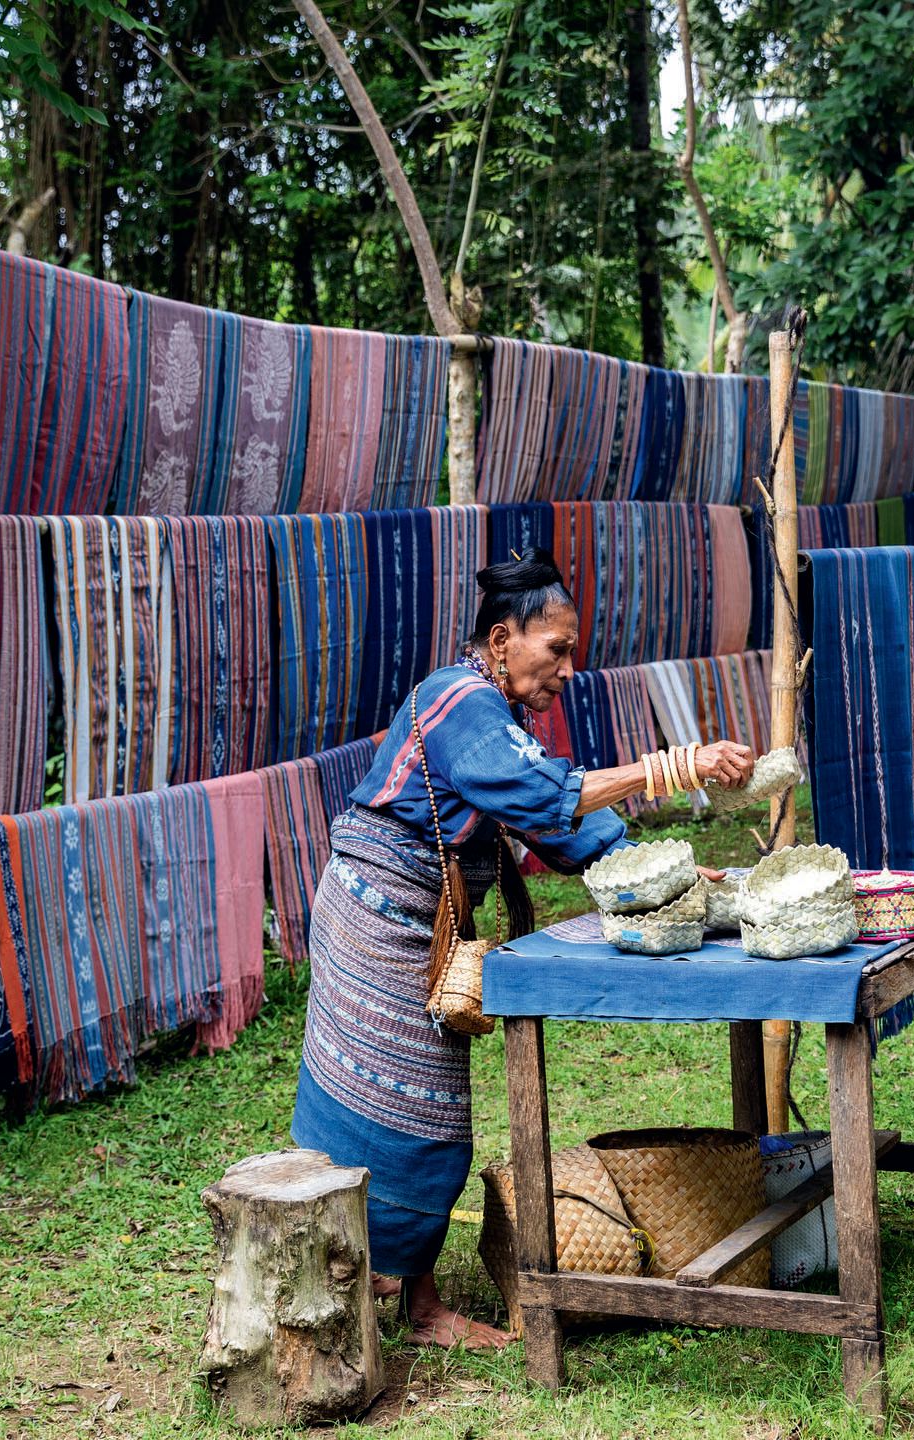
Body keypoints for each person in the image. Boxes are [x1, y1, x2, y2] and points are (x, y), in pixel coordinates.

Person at [289, 550, 755, 1349]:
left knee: (425, 1110)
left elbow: (562, 826)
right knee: (388, 1108)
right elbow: (552, 797)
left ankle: (398, 1286)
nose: (569, 669)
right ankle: (390, 1291)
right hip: (376, 918)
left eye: (573, 652)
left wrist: (672, 871)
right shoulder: (460, 700)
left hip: (416, 920)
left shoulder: (494, 721)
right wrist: (676, 766)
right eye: (558, 649)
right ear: (503, 639)